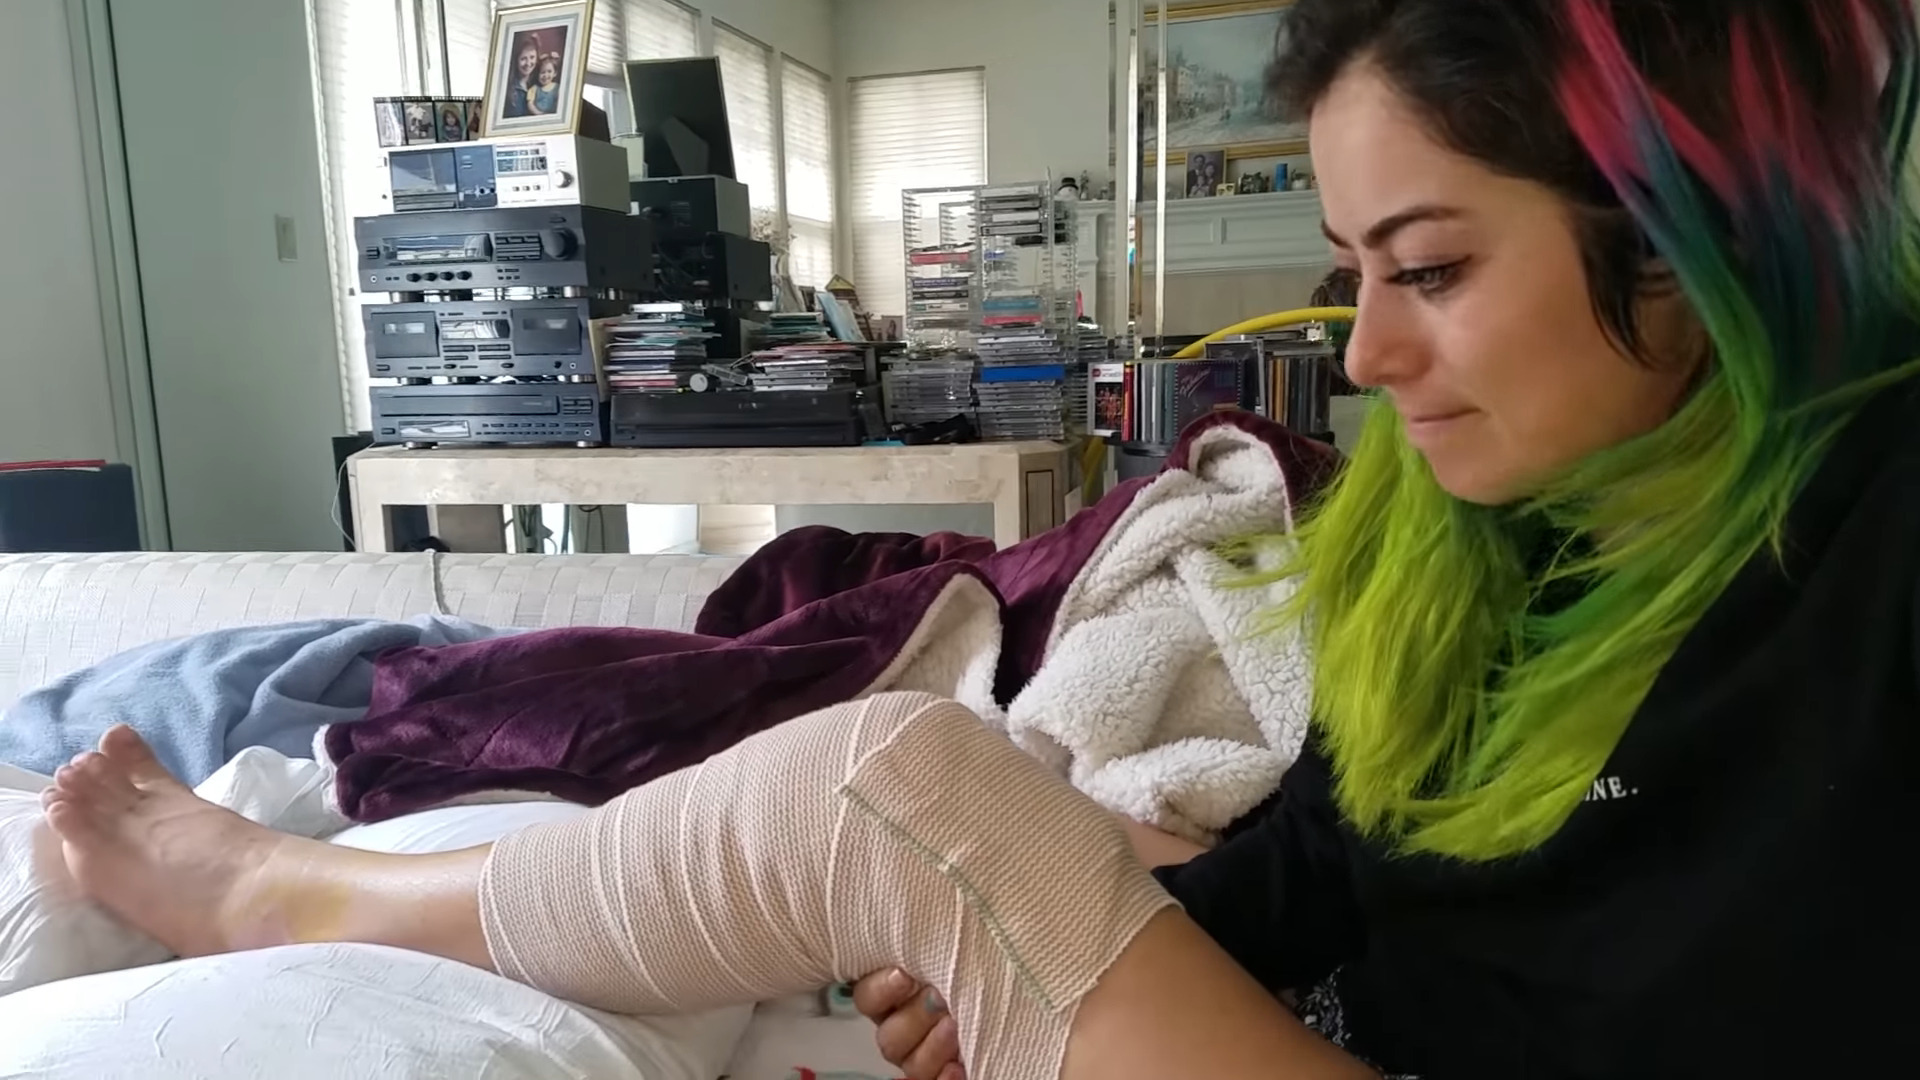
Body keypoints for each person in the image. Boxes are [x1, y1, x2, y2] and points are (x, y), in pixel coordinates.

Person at [34, 0, 1920, 1077]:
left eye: (1428, 270)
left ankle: (290, 893)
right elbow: (1342, 863)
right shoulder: (1512, 538)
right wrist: (1079, 940)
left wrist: (1016, 903)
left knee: (899, 790)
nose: (1363, 355)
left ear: (1696, 232)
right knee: (1030, 820)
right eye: (1356, 273)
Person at [503, 39, 539, 118]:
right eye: (523, 59)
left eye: (532, 57)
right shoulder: (508, 88)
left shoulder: (538, 85)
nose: (528, 63)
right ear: (516, 60)